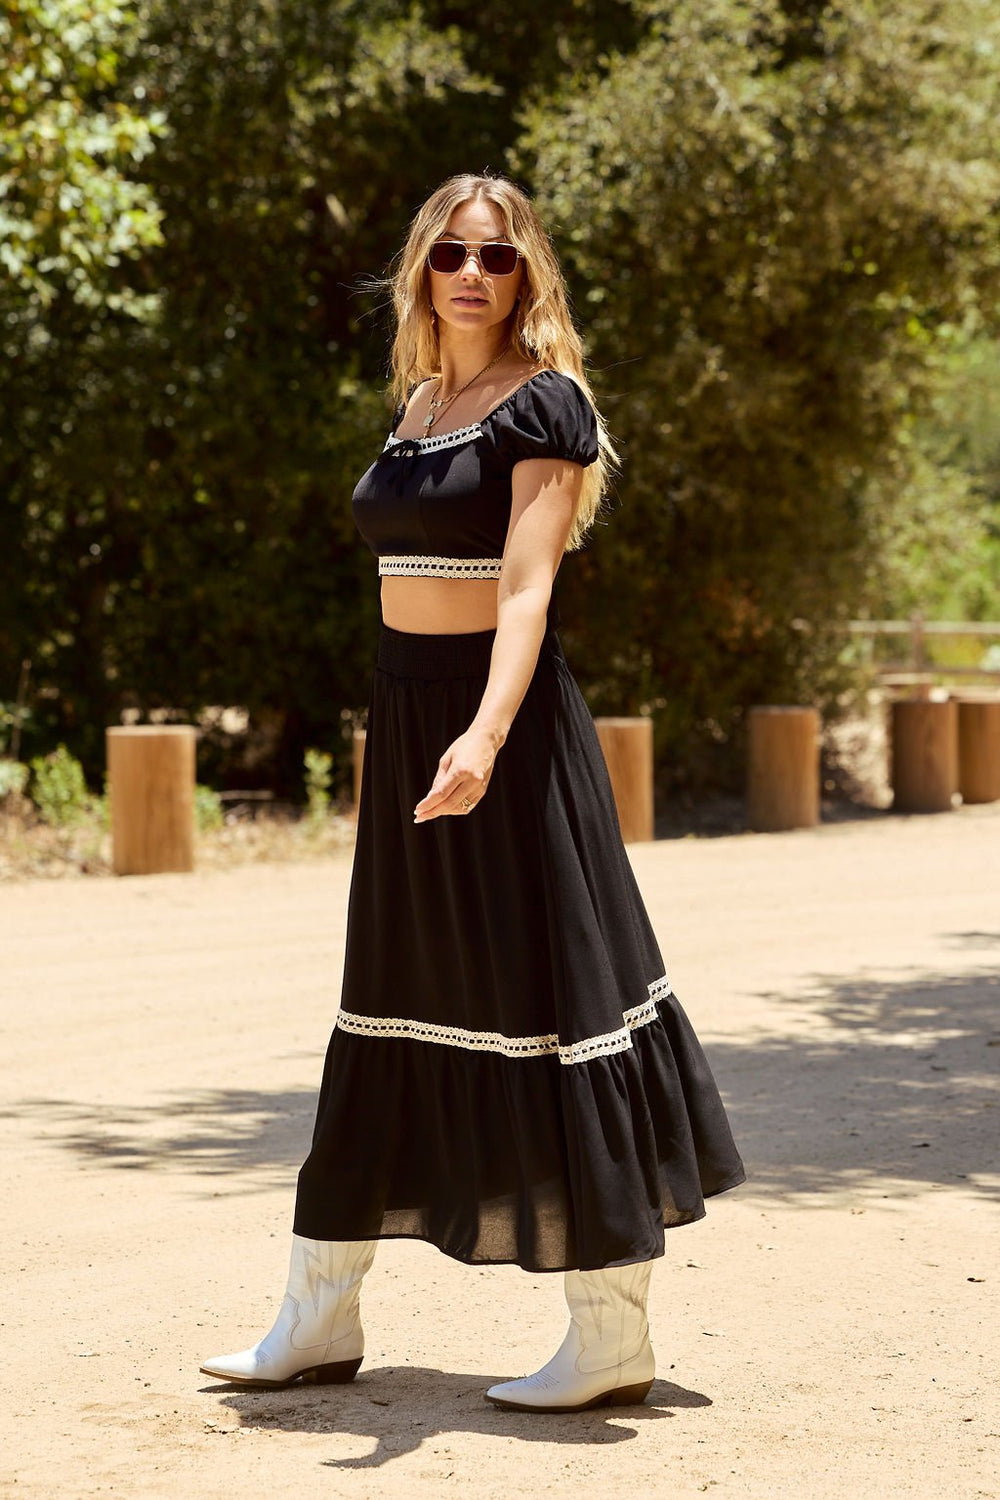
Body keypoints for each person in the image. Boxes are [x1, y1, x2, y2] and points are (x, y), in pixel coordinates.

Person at [200, 172, 745, 1414]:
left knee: (550, 1000)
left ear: (526, 274)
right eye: (451, 252)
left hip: (501, 729)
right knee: (386, 998)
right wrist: (426, 738)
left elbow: (525, 589)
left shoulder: (545, 401)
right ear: (421, 267)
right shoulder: (417, 408)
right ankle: (317, 1314)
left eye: (497, 257)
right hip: (409, 722)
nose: (471, 274)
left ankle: (609, 1333)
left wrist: (485, 737)